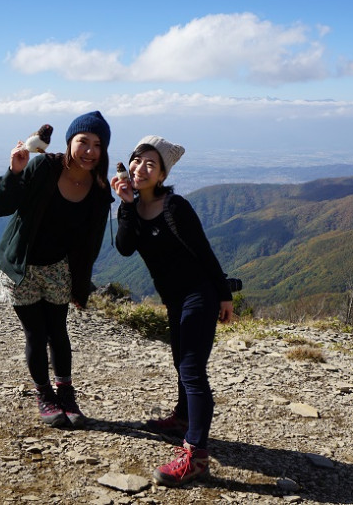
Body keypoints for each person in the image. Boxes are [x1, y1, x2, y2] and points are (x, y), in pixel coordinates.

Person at [111, 135, 234, 486]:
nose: (140, 168)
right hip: (175, 299)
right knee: (181, 361)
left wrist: (223, 295)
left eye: (151, 164)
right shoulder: (134, 207)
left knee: (192, 370)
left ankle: (195, 456)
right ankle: (182, 418)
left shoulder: (174, 206)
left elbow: (203, 251)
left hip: (199, 295)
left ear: (163, 174)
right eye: (137, 160)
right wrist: (125, 204)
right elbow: (123, 248)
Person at [0, 111, 113, 428]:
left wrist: (80, 286)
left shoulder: (99, 190)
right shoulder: (43, 166)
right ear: (70, 141)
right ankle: (44, 394)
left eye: (97, 144)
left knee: (58, 332)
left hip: (59, 268)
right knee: (36, 332)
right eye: (83, 141)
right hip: (22, 266)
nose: (89, 150)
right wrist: (14, 172)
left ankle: (66, 394)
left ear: (104, 150)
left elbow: (91, 245)